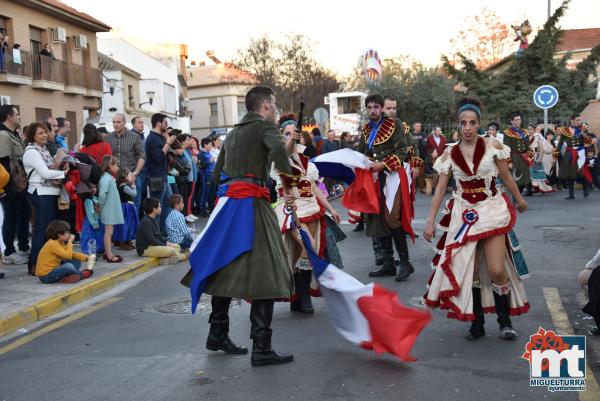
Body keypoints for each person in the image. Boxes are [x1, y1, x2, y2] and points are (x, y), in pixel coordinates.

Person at [183, 86, 296, 367]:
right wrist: (290, 187)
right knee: (267, 270)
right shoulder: (265, 127)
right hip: (252, 205)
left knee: (224, 266)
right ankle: (262, 348)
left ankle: (217, 334)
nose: (275, 109)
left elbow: (217, 174)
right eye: (274, 104)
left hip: (229, 204)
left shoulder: (232, 134)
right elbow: (281, 157)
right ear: (267, 105)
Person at [423, 98, 530, 341]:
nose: (468, 127)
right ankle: (477, 323)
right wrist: (430, 221)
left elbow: (506, 176)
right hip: (463, 215)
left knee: (495, 269)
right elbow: (440, 190)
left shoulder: (492, 146)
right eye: (464, 123)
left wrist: (519, 199)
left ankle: (504, 321)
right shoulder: (449, 153)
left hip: (492, 210)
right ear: (458, 125)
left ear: (479, 123)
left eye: (472, 122)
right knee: (470, 273)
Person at [273, 116, 344, 314]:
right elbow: (281, 188)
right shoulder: (278, 159)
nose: (291, 137)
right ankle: (301, 296)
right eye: (286, 134)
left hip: (312, 210)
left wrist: (331, 209)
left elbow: (314, 188)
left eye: (294, 134)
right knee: (306, 249)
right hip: (291, 212)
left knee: (307, 254)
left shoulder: (307, 162)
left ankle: (300, 296)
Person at [358, 94, 419, 282]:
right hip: (376, 177)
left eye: (376, 107)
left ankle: (405, 262)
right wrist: (363, 161)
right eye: (369, 107)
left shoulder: (396, 125)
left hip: (394, 176)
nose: (373, 111)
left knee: (392, 219)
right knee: (377, 218)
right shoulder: (366, 129)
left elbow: (402, 151)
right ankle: (388, 263)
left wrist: (383, 165)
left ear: (382, 108)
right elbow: (364, 152)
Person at [23, 122, 67, 274]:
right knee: (41, 231)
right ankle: (34, 265)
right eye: (39, 133)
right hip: (40, 194)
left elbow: (51, 168)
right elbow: (46, 173)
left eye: (45, 132)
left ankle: (47, 263)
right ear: (32, 136)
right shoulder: (32, 152)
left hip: (50, 193)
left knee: (49, 232)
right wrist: (64, 174)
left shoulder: (44, 150)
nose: (44, 135)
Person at [0, 105, 31, 265]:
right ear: (9, 116)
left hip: (19, 184)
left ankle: (24, 247)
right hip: (10, 185)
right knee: (11, 217)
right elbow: (3, 163)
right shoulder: (3, 135)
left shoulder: (13, 135)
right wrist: (5, 188)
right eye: (17, 114)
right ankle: (9, 252)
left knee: (24, 213)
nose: (19, 117)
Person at [145, 113, 175, 233]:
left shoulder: (159, 137)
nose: (167, 125)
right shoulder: (152, 139)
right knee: (156, 207)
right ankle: (156, 234)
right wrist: (168, 143)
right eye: (165, 123)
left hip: (162, 176)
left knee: (168, 202)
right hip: (156, 178)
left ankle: (163, 231)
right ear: (158, 123)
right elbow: (157, 158)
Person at [136, 197, 185, 261]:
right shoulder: (146, 222)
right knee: (171, 250)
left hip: (153, 245)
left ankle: (169, 259)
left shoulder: (153, 219)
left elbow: (158, 235)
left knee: (177, 247)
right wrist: (165, 245)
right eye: (159, 207)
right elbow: (152, 240)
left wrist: (167, 243)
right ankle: (180, 257)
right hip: (145, 248)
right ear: (154, 209)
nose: (160, 208)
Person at [557, 114, 592, 199]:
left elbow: (589, 141)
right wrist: (555, 156)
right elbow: (560, 144)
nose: (579, 121)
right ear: (572, 120)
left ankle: (586, 188)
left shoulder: (583, 128)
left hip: (580, 152)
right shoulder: (565, 130)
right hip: (569, 153)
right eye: (577, 120)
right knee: (569, 173)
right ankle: (571, 194)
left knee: (581, 172)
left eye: (580, 120)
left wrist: (585, 136)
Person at [97, 155, 124, 263]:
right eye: (116, 165)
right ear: (109, 165)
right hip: (108, 209)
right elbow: (102, 195)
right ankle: (109, 255)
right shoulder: (106, 179)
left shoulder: (107, 177)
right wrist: (100, 206)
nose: (117, 167)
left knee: (108, 232)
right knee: (109, 233)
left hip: (109, 209)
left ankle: (106, 252)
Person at [503, 112, 532, 196]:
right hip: (514, 158)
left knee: (524, 181)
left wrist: (530, 159)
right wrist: (509, 162)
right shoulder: (507, 132)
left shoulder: (525, 132)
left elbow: (528, 147)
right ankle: (516, 199)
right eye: (516, 120)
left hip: (524, 159)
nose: (518, 121)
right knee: (515, 180)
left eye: (519, 119)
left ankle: (517, 198)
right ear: (512, 121)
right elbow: (506, 149)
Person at [112, 168, 138, 251]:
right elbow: (134, 194)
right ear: (125, 177)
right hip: (126, 207)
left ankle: (127, 240)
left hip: (125, 206)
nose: (131, 177)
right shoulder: (124, 187)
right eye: (129, 175)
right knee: (127, 224)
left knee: (128, 224)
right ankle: (123, 242)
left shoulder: (121, 186)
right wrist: (133, 185)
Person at [79, 183, 105, 255]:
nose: (93, 189)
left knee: (97, 236)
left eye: (95, 187)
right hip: (91, 222)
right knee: (91, 237)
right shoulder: (88, 200)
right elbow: (90, 214)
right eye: (90, 188)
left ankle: (97, 249)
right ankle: (90, 252)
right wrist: (94, 223)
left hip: (97, 221)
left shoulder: (95, 198)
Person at [198, 137, 216, 217]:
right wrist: (209, 161)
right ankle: (203, 210)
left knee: (212, 193)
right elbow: (201, 165)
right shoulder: (201, 154)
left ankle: (211, 208)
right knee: (205, 193)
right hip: (206, 176)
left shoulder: (210, 153)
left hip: (212, 176)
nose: (211, 146)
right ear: (205, 145)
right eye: (210, 144)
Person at [426, 126, 447, 195]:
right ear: (434, 131)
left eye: (440, 130)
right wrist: (431, 155)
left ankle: (442, 189)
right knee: (437, 174)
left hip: (442, 159)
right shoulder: (429, 138)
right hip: (433, 158)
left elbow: (446, 148)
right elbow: (427, 148)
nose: (439, 132)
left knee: (443, 173)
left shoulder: (443, 138)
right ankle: (435, 189)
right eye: (437, 130)